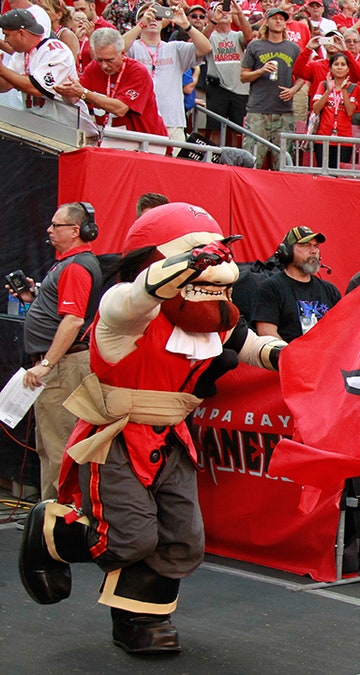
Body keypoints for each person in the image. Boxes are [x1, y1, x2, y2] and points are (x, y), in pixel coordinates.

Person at [17, 203, 286, 654]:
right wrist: (180, 268)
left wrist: (296, 357)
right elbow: (132, 300)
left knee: (182, 540)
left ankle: (140, 619)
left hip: (172, 436)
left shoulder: (208, 316)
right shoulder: (125, 310)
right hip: (118, 435)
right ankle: (51, 532)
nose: (215, 270)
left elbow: (252, 345)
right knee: (128, 537)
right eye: (201, 258)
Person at [4, 203, 100, 501]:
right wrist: (32, 298)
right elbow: (61, 314)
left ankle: (61, 524)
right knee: (49, 446)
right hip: (60, 365)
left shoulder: (75, 267)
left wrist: (47, 363)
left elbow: (73, 320)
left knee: (59, 448)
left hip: (63, 368)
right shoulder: (68, 265)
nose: (49, 230)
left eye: (56, 225)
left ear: (75, 231)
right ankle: (49, 517)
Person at [122, 3, 212, 142]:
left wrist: (186, 25)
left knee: (175, 163)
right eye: (148, 16)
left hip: (172, 122)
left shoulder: (175, 47)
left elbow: (206, 48)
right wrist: (141, 25)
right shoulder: (132, 47)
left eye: (158, 17)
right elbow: (117, 48)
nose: (153, 20)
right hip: (140, 122)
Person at [0, 8, 95, 137]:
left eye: (7, 35)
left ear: (21, 33)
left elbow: (37, 88)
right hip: (42, 129)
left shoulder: (55, 51)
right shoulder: (21, 54)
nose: (5, 40)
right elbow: (5, 86)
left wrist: (2, 69)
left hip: (72, 130)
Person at [55, 26, 166, 136]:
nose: (104, 65)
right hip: (112, 138)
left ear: (122, 53)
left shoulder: (137, 72)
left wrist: (84, 93)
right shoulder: (94, 67)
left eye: (109, 60)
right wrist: (66, 91)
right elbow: (73, 98)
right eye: (99, 60)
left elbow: (120, 109)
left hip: (147, 141)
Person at [240, 7, 303, 169]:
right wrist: (261, 70)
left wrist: (293, 90)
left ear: (285, 23)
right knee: (252, 160)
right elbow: (243, 76)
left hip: (284, 111)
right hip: (258, 110)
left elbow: (303, 76)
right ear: (267, 22)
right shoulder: (255, 46)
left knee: (283, 164)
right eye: (274, 18)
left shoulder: (293, 48)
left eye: (282, 19)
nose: (278, 21)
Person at [253, 226, 341, 341]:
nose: (314, 251)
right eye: (305, 245)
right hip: (288, 357)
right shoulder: (270, 288)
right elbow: (267, 334)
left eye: (316, 246)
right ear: (286, 252)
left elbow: (342, 330)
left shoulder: (330, 291)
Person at [201, 2, 253, 147]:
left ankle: (235, 161)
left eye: (227, 11)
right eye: (219, 10)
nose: (224, 13)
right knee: (215, 129)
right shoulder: (211, 36)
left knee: (237, 130)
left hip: (240, 89)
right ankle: (214, 160)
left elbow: (249, 37)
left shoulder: (237, 35)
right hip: (217, 89)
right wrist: (214, 20)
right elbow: (201, 41)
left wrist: (240, 14)